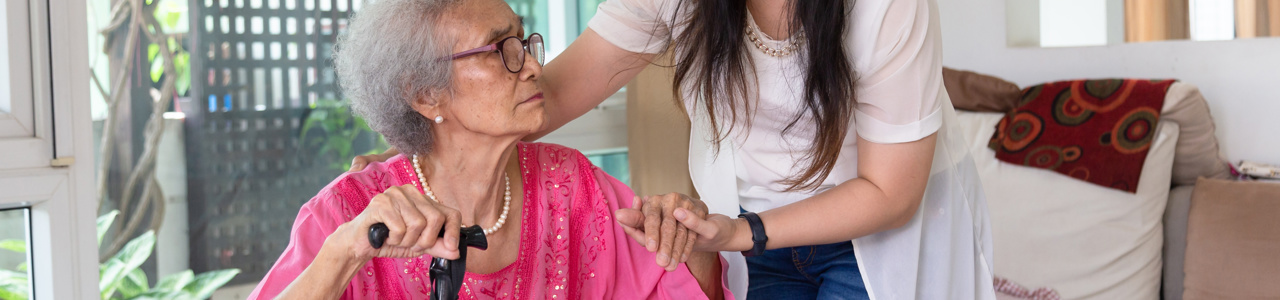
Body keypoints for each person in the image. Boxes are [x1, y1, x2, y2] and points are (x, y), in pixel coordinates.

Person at [355, 0, 995, 298]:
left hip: (880, 226)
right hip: (751, 221)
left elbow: (891, 192)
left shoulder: (887, 6)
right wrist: (411, 150)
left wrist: (737, 234)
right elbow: (541, 92)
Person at [248, 0, 732, 298]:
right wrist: (346, 252)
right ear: (424, 94)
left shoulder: (573, 185)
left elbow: (678, 285)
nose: (533, 67)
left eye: (524, 41)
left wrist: (690, 238)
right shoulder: (344, 215)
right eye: (501, 49)